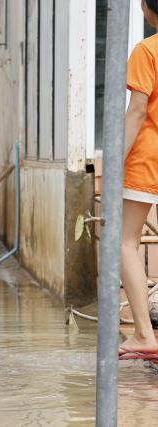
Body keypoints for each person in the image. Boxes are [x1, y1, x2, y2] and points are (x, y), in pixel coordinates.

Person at [119, 0, 158, 360]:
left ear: (148, 9)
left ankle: (144, 334)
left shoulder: (146, 50)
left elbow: (138, 110)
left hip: (148, 159)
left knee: (125, 242)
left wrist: (116, 159)